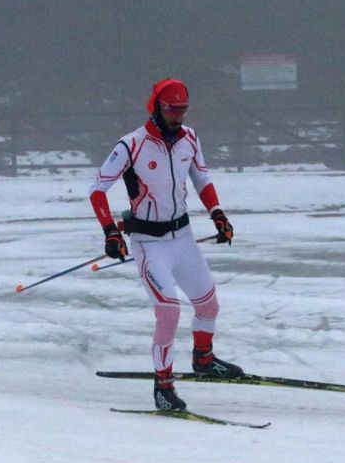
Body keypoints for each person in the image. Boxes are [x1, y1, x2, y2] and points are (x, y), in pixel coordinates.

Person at [89, 78, 242, 411]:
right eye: (173, 110)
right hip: (149, 244)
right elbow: (97, 189)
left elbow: (202, 178)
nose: (178, 117)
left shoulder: (189, 139)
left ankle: (204, 360)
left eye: (183, 110)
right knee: (169, 312)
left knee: (208, 305)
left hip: (183, 239)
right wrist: (110, 232)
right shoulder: (131, 145)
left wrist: (218, 215)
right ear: (157, 106)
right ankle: (164, 386)